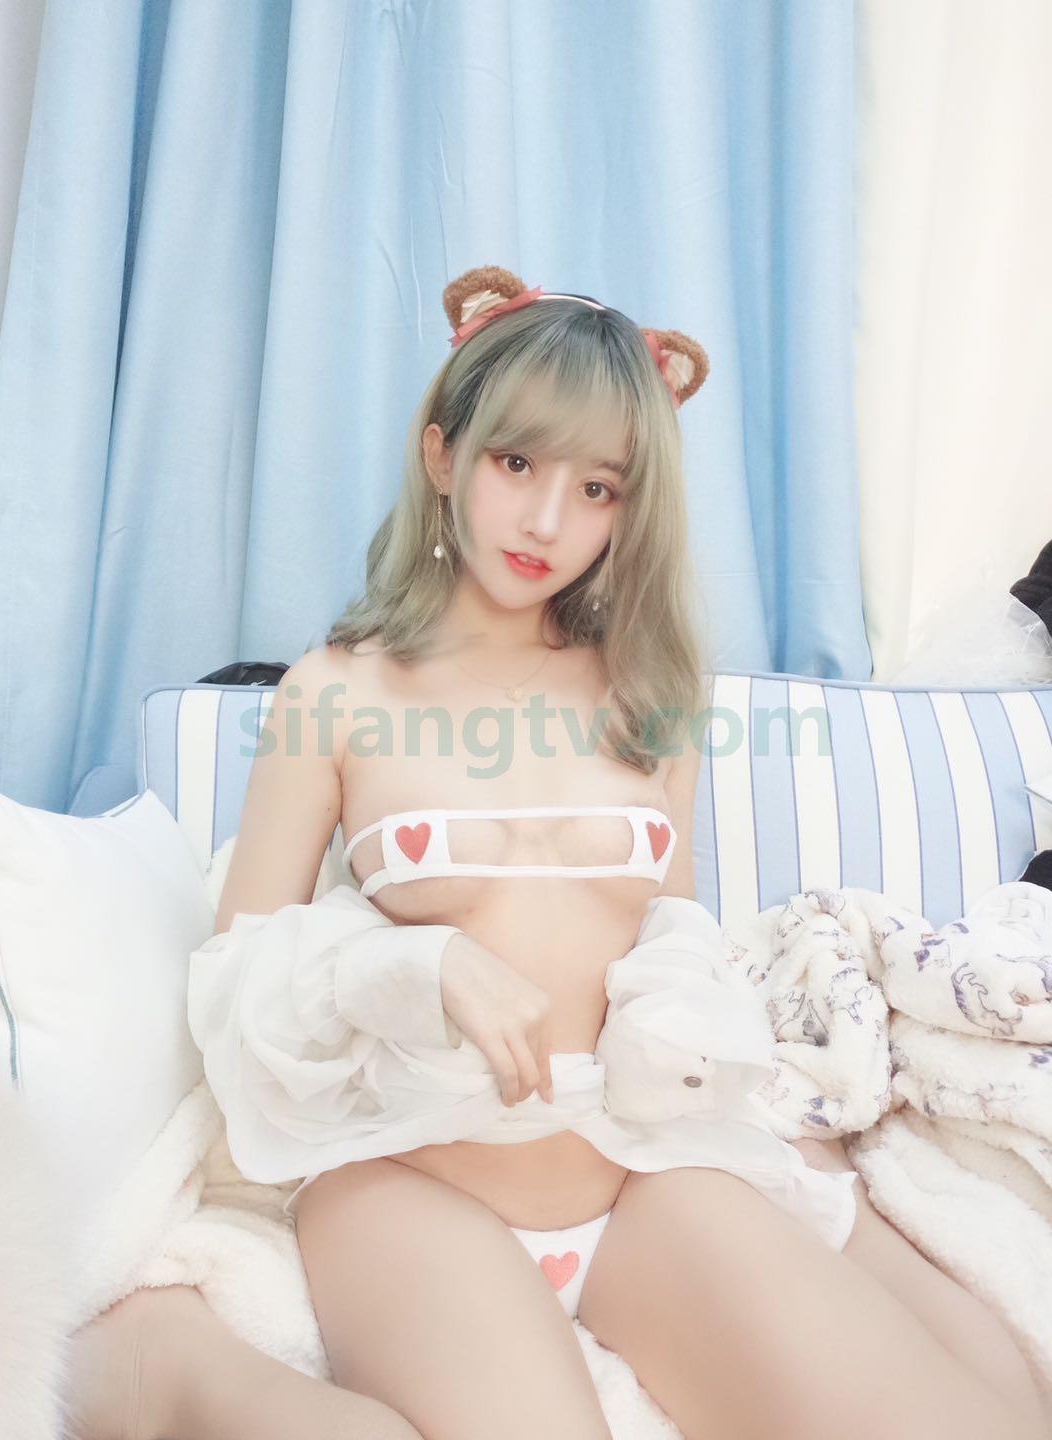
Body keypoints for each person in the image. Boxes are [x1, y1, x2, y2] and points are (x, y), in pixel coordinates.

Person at [68, 266, 1048, 1440]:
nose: (546, 523)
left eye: (596, 488)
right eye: (516, 464)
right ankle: (161, 1362)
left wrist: (680, 1013)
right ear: (443, 456)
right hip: (412, 1176)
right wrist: (414, 967)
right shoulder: (334, 693)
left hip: (636, 1168)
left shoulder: (652, 695)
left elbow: (671, 923)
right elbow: (236, 983)